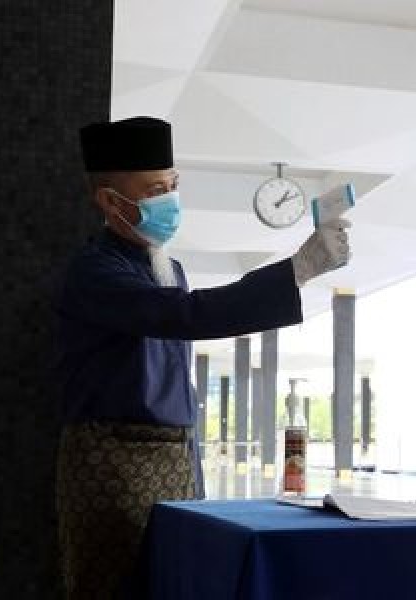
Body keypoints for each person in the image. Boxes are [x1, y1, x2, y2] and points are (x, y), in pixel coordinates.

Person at [54, 116, 350, 599]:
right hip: (113, 461)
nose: (169, 199)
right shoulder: (94, 271)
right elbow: (186, 316)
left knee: (178, 582)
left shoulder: (169, 267)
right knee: (117, 588)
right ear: (109, 201)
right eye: (154, 189)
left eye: (173, 185)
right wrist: (296, 270)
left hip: (177, 453)